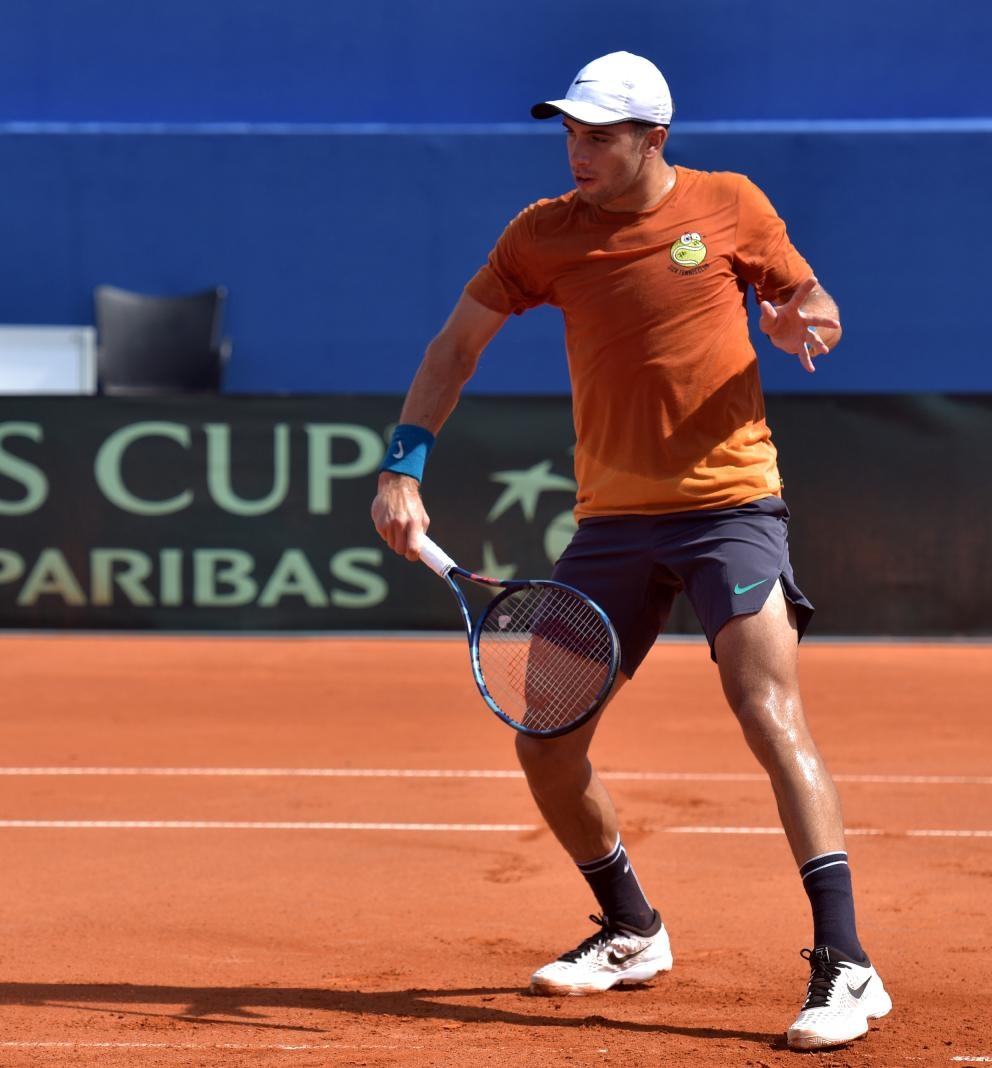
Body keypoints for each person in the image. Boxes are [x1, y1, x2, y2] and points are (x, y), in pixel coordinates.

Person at [368, 51, 890, 1052]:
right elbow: (454, 347)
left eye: (599, 136)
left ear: (652, 136)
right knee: (544, 741)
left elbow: (811, 304)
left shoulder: (728, 203)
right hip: (611, 523)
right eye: (569, 132)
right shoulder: (541, 233)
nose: (578, 151)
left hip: (731, 505)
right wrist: (402, 467)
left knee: (765, 707)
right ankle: (631, 929)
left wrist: (795, 323)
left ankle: (845, 963)